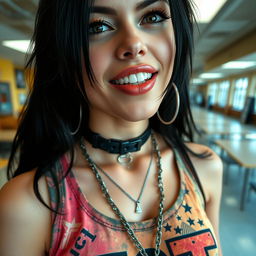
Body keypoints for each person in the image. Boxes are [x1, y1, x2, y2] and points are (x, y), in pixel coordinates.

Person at [0, 0, 223, 255]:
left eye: (152, 17)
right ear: (63, 52)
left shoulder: (205, 167)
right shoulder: (27, 205)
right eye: (98, 26)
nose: (134, 44)